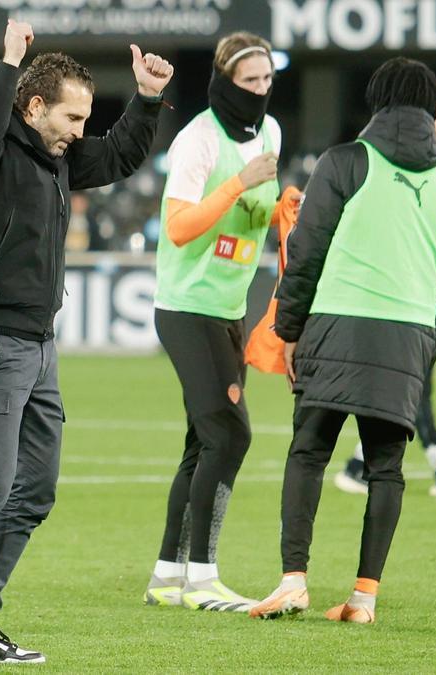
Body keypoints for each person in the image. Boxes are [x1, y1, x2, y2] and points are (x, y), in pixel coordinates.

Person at [0, 20, 173, 666]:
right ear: (34, 105)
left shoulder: (58, 157)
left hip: (39, 346)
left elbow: (118, 155)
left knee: (34, 489)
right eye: (73, 116)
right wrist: (7, 63)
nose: (81, 130)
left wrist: (148, 99)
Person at [248, 57, 436, 625]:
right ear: (430, 109)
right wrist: (425, 350)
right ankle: (363, 598)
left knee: (309, 452)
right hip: (408, 337)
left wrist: (287, 329)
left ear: (377, 101)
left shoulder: (345, 162)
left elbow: (306, 252)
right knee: (387, 467)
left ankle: (294, 581)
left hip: (337, 324)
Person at [143, 31, 298, 614]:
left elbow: (261, 207)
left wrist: (285, 204)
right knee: (230, 435)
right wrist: (240, 183)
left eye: (266, 82)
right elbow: (179, 228)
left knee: (202, 442)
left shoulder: (271, 133)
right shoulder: (197, 143)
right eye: (249, 81)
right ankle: (203, 578)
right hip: (187, 306)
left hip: (230, 309)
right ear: (225, 81)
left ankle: (166, 575)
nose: (259, 91)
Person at [333, 88, 436, 499]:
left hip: (430, 287)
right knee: (415, 379)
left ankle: (357, 464)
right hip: (396, 287)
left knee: (406, 379)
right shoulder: (393, 160)